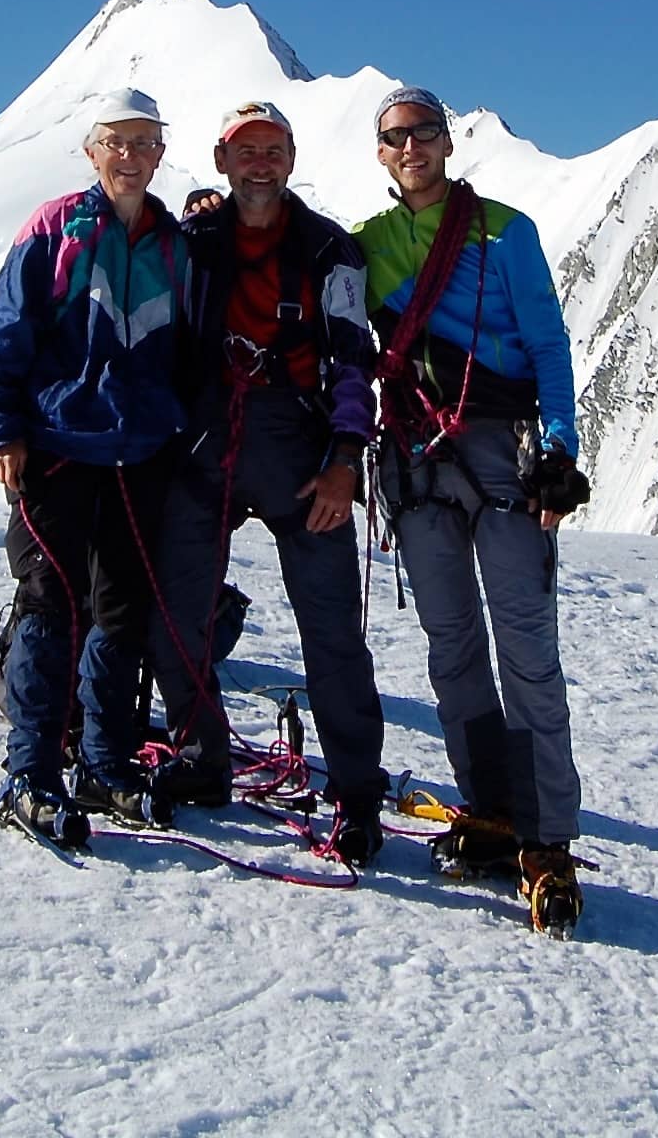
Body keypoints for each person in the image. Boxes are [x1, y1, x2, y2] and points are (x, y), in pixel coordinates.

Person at [355, 86, 595, 932]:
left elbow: (546, 344)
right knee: (453, 644)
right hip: (417, 461)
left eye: (423, 133)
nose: (410, 147)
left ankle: (547, 834)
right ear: (380, 153)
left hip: (499, 452)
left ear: (447, 143)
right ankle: (492, 809)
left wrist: (559, 450)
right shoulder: (366, 247)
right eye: (394, 137)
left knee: (526, 646)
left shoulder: (507, 231)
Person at [143, 100, 390, 864]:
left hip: (301, 449)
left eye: (272, 148)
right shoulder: (191, 243)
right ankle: (200, 760)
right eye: (245, 150)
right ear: (222, 162)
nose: (259, 162)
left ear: (290, 158)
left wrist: (346, 462)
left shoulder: (328, 251)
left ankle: (355, 795)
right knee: (176, 611)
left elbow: (355, 360)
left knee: (332, 636)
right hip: (206, 437)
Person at [0, 86, 192, 847]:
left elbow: (188, 352)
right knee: (49, 604)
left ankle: (105, 762)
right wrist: (1, 428)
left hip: (138, 455)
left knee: (120, 611)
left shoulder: (173, 244)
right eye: (117, 142)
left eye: (144, 143)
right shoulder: (57, 228)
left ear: (160, 153)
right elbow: (9, 328)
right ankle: (29, 771)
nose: (131, 156)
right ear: (92, 152)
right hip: (59, 447)